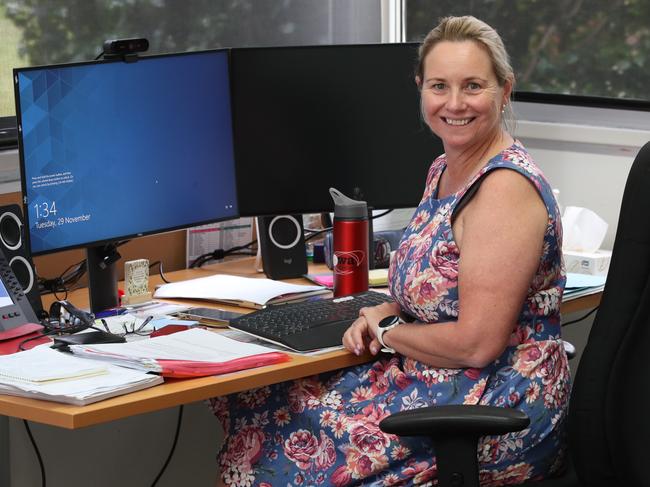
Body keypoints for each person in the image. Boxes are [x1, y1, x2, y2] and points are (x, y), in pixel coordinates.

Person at [210, 15, 568, 486]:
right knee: (260, 398)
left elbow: (477, 343)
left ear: (505, 90)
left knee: (285, 448)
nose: (455, 103)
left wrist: (389, 327)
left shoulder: (504, 188)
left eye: (473, 86)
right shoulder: (444, 166)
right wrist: (387, 308)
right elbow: (442, 286)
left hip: (496, 401)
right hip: (445, 379)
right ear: (420, 89)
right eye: (439, 85)